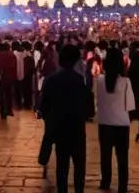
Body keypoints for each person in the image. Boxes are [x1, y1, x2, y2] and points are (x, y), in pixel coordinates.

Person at [41, 44, 90, 193]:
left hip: (59, 128)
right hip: (77, 128)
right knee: (79, 164)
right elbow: (88, 109)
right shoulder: (80, 80)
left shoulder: (50, 80)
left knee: (62, 165)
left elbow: (44, 107)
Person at [96, 48, 135, 193]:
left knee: (105, 155)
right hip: (122, 124)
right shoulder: (126, 82)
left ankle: (105, 182)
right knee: (122, 158)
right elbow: (130, 106)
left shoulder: (99, 80)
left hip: (104, 123)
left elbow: (97, 101)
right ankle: (122, 186)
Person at [0, 41, 18, 119]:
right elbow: (14, 66)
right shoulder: (12, 55)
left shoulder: (0, 55)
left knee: (1, 95)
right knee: (9, 94)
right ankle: (9, 110)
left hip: (3, 77)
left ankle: (3, 111)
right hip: (11, 77)